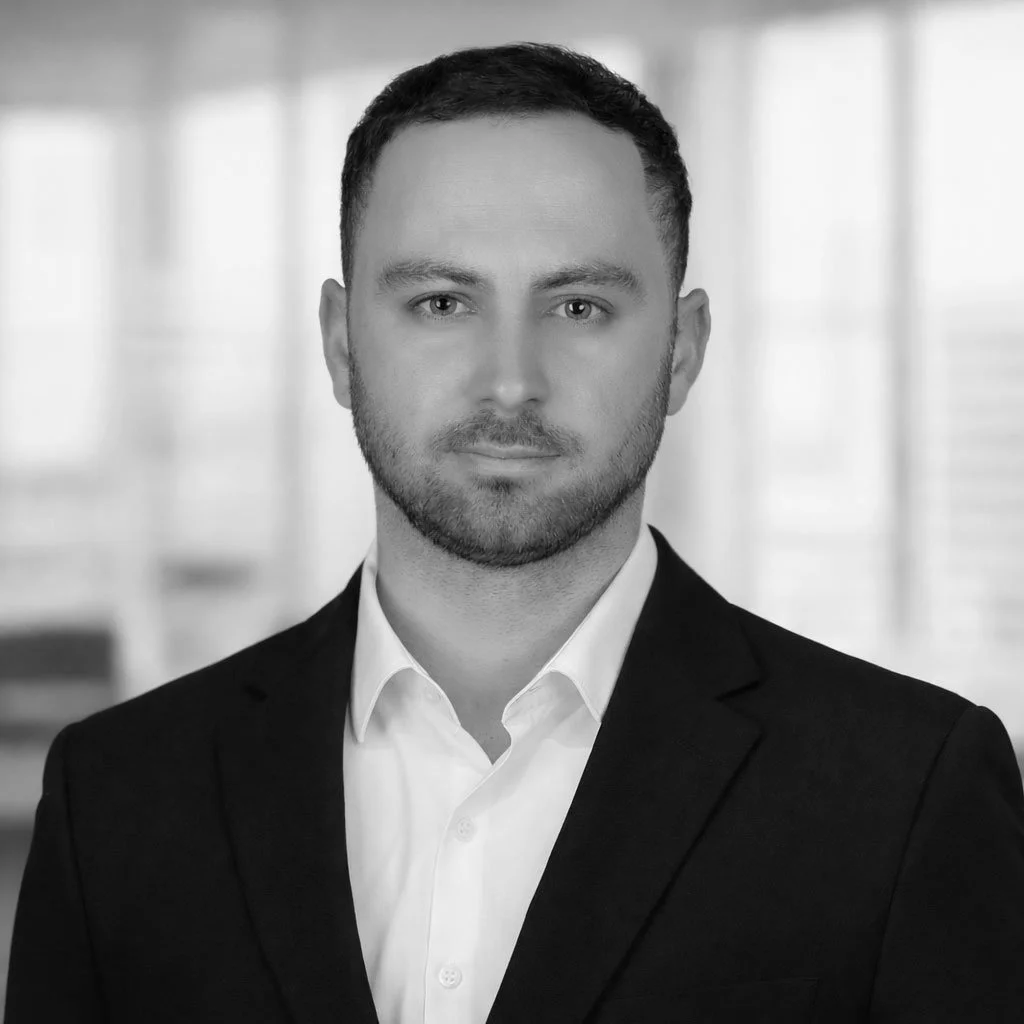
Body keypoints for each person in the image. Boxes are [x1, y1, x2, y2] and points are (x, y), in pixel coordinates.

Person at [5, 40, 1024, 1024]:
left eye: (579, 306)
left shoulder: (905, 791)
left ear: (680, 352)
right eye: (440, 300)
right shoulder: (119, 794)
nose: (509, 380)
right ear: (340, 345)